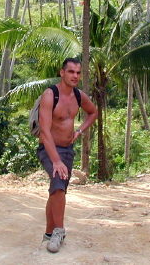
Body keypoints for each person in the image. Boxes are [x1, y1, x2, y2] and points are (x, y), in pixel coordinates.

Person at [37, 58, 98, 253]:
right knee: (59, 180)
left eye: (78, 73)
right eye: (71, 72)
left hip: (67, 150)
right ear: (62, 72)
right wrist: (55, 161)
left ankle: (48, 232)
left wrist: (79, 131)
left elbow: (93, 112)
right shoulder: (50, 95)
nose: (75, 76)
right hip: (48, 148)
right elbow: (45, 132)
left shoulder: (79, 96)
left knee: (57, 189)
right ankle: (59, 231)